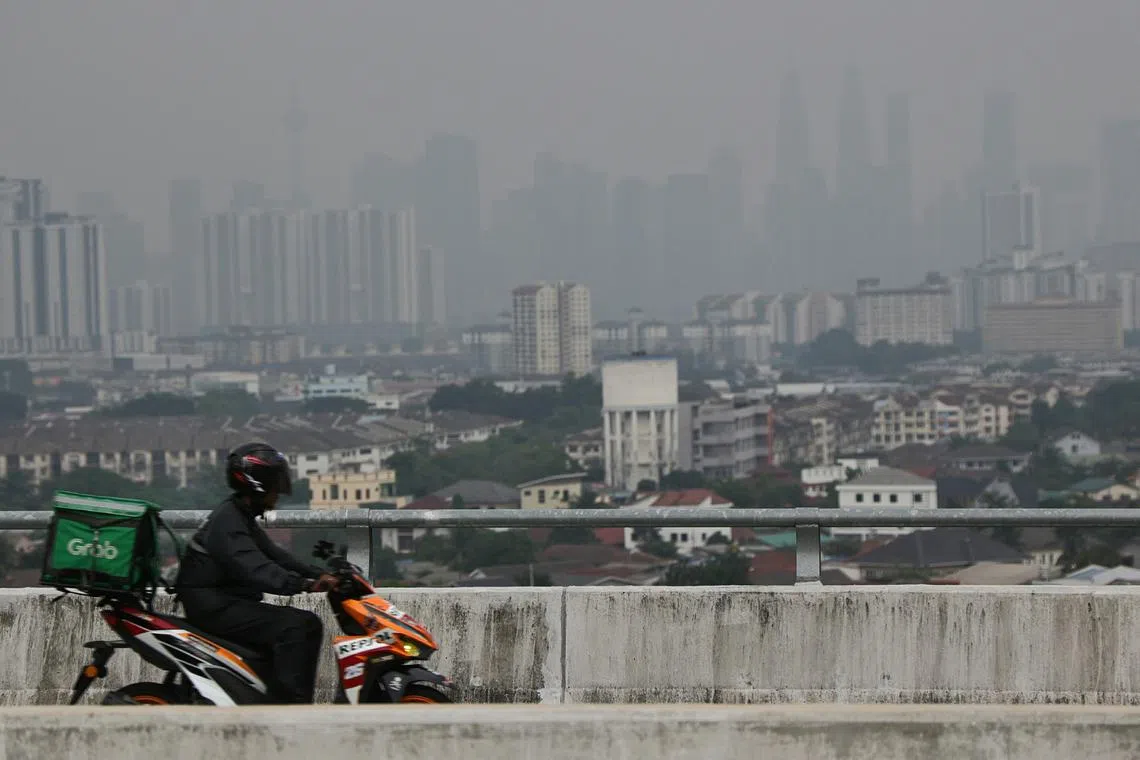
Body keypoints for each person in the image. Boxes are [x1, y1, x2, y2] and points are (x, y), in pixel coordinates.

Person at [174, 441, 338, 704]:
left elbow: (275, 555)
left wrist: (318, 574)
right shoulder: (229, 521)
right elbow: (255, 568)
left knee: (299, 624)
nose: (279, 493)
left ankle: (268, 695)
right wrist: (304, 584)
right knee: (298, 625)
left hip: (223, 601)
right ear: (258, 484)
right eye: (275, 485)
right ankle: (288, 707)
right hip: (213, 606)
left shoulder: (238, 513)